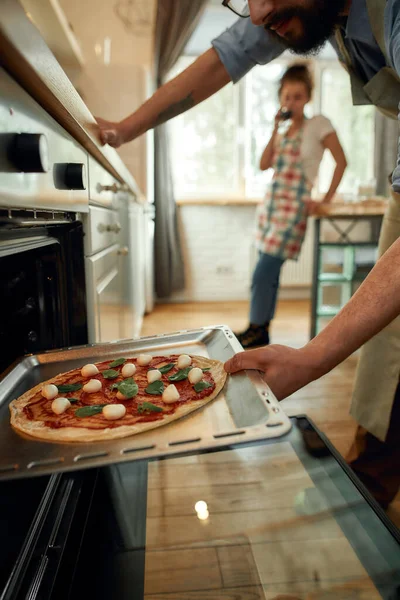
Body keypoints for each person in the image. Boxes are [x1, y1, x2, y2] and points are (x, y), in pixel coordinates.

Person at [96, 0, 400, 509]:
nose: (256, 15)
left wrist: (309, 359)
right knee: (386, 352)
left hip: (300, 212)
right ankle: (373, 471)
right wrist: (125, 130)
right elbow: (223, 57)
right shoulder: (291, 9)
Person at [235, 63, 346, 349]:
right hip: (272, 207)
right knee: (269, 276)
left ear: (307, 97)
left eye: (297, 96)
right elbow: (263, 164)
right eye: (287, 97)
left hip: (294, 209)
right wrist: (274, 127)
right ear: (280, 99)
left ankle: (255, 327)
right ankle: (261, 330)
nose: (291, 102)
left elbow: (341, 161)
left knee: (262, 272)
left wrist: (325, 199)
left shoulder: (318, 125)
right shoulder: (283, 133)